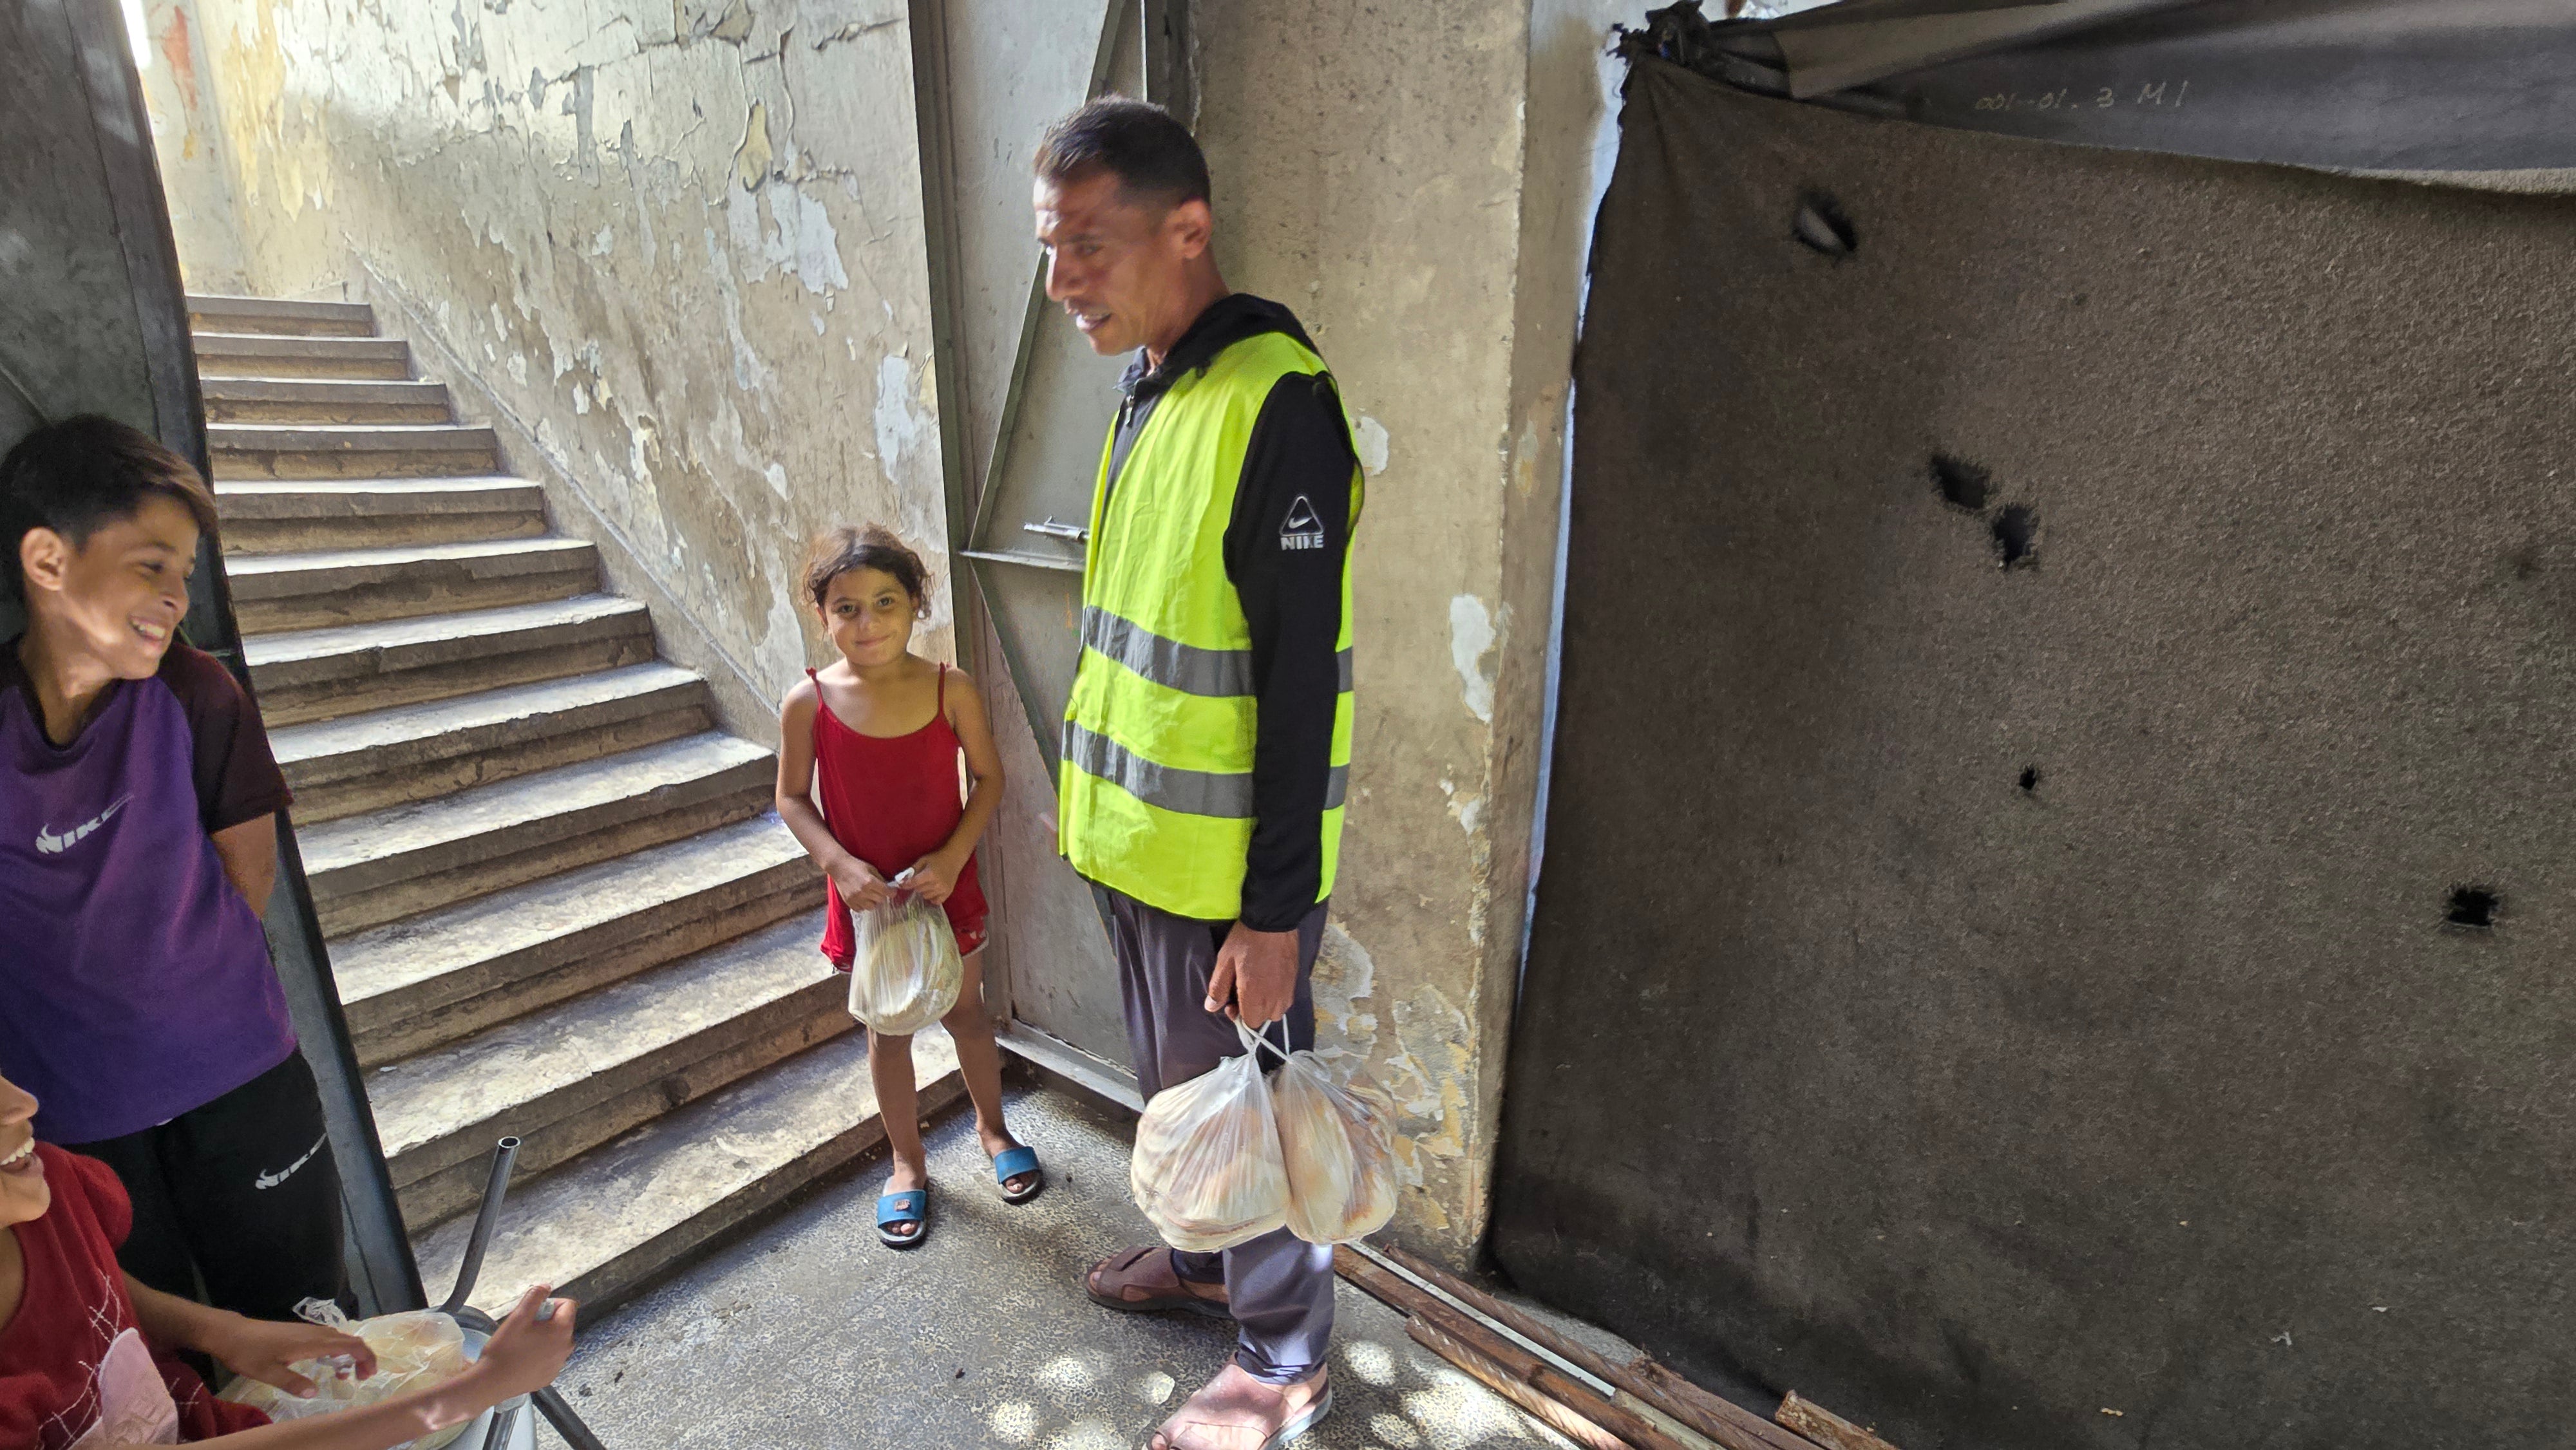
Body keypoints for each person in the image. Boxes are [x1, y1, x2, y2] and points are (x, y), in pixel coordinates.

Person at [1036, 98, 1361, 1450]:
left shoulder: (1277, 401)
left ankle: (1284, 1357)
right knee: (1190, 1100)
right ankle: (1206, 1262)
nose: (1061, 282)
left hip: (1229, 883)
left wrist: (1273, 914)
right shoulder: (1155, 380)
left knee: (1256, 1106)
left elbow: (1297, 689)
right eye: (1050, 249)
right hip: (1139, 853)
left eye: (1089, 246)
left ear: (1188, 230)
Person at [0, 416, 346, 1324]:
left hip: (241, 1082)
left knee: (308, 1327)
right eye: (150, 565)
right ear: (48, 561)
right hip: (72, 1123)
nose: (175, 597)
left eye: (184, 573)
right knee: (140, 1358)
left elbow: (247, 881)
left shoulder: (197, 695)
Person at [0, 1069, 576, 1447]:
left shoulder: (46, 1190)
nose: (21, 1104)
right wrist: (474, 1391)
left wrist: (223, 1331)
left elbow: (90, 1278)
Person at [773, 525, 1043, 1248]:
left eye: (885, 602)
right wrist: (837, 862)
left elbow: (989, 779)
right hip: (868, 906)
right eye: (847, 608)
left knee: (967, 1015)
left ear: (916, 603)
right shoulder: (808, 703)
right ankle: (907, 1162)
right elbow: (791, 798)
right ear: (822, 615)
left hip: (942, 891)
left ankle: (993, 1129)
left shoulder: (950, 688)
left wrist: (953, 858)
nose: (868, 622)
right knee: (887, 1034)